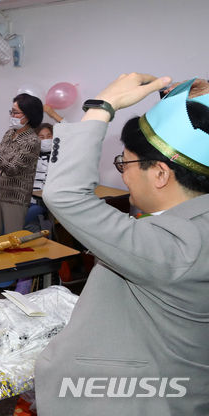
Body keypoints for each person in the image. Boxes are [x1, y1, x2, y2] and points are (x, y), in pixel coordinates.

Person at [35, 74, 209, 415]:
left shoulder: (179, 247)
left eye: (125, 163)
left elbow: (64, 195)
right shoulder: (189, 224)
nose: (123, 174)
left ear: (160, 173)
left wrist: (101, 107)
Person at [0, 93, 43, 237]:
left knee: (11, 241)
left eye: (15, 112)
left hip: (15, 197)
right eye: (11, 111)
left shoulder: (32, 141)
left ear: (28, 115)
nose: (12, 115)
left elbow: (11, 169)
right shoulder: (10, 133)